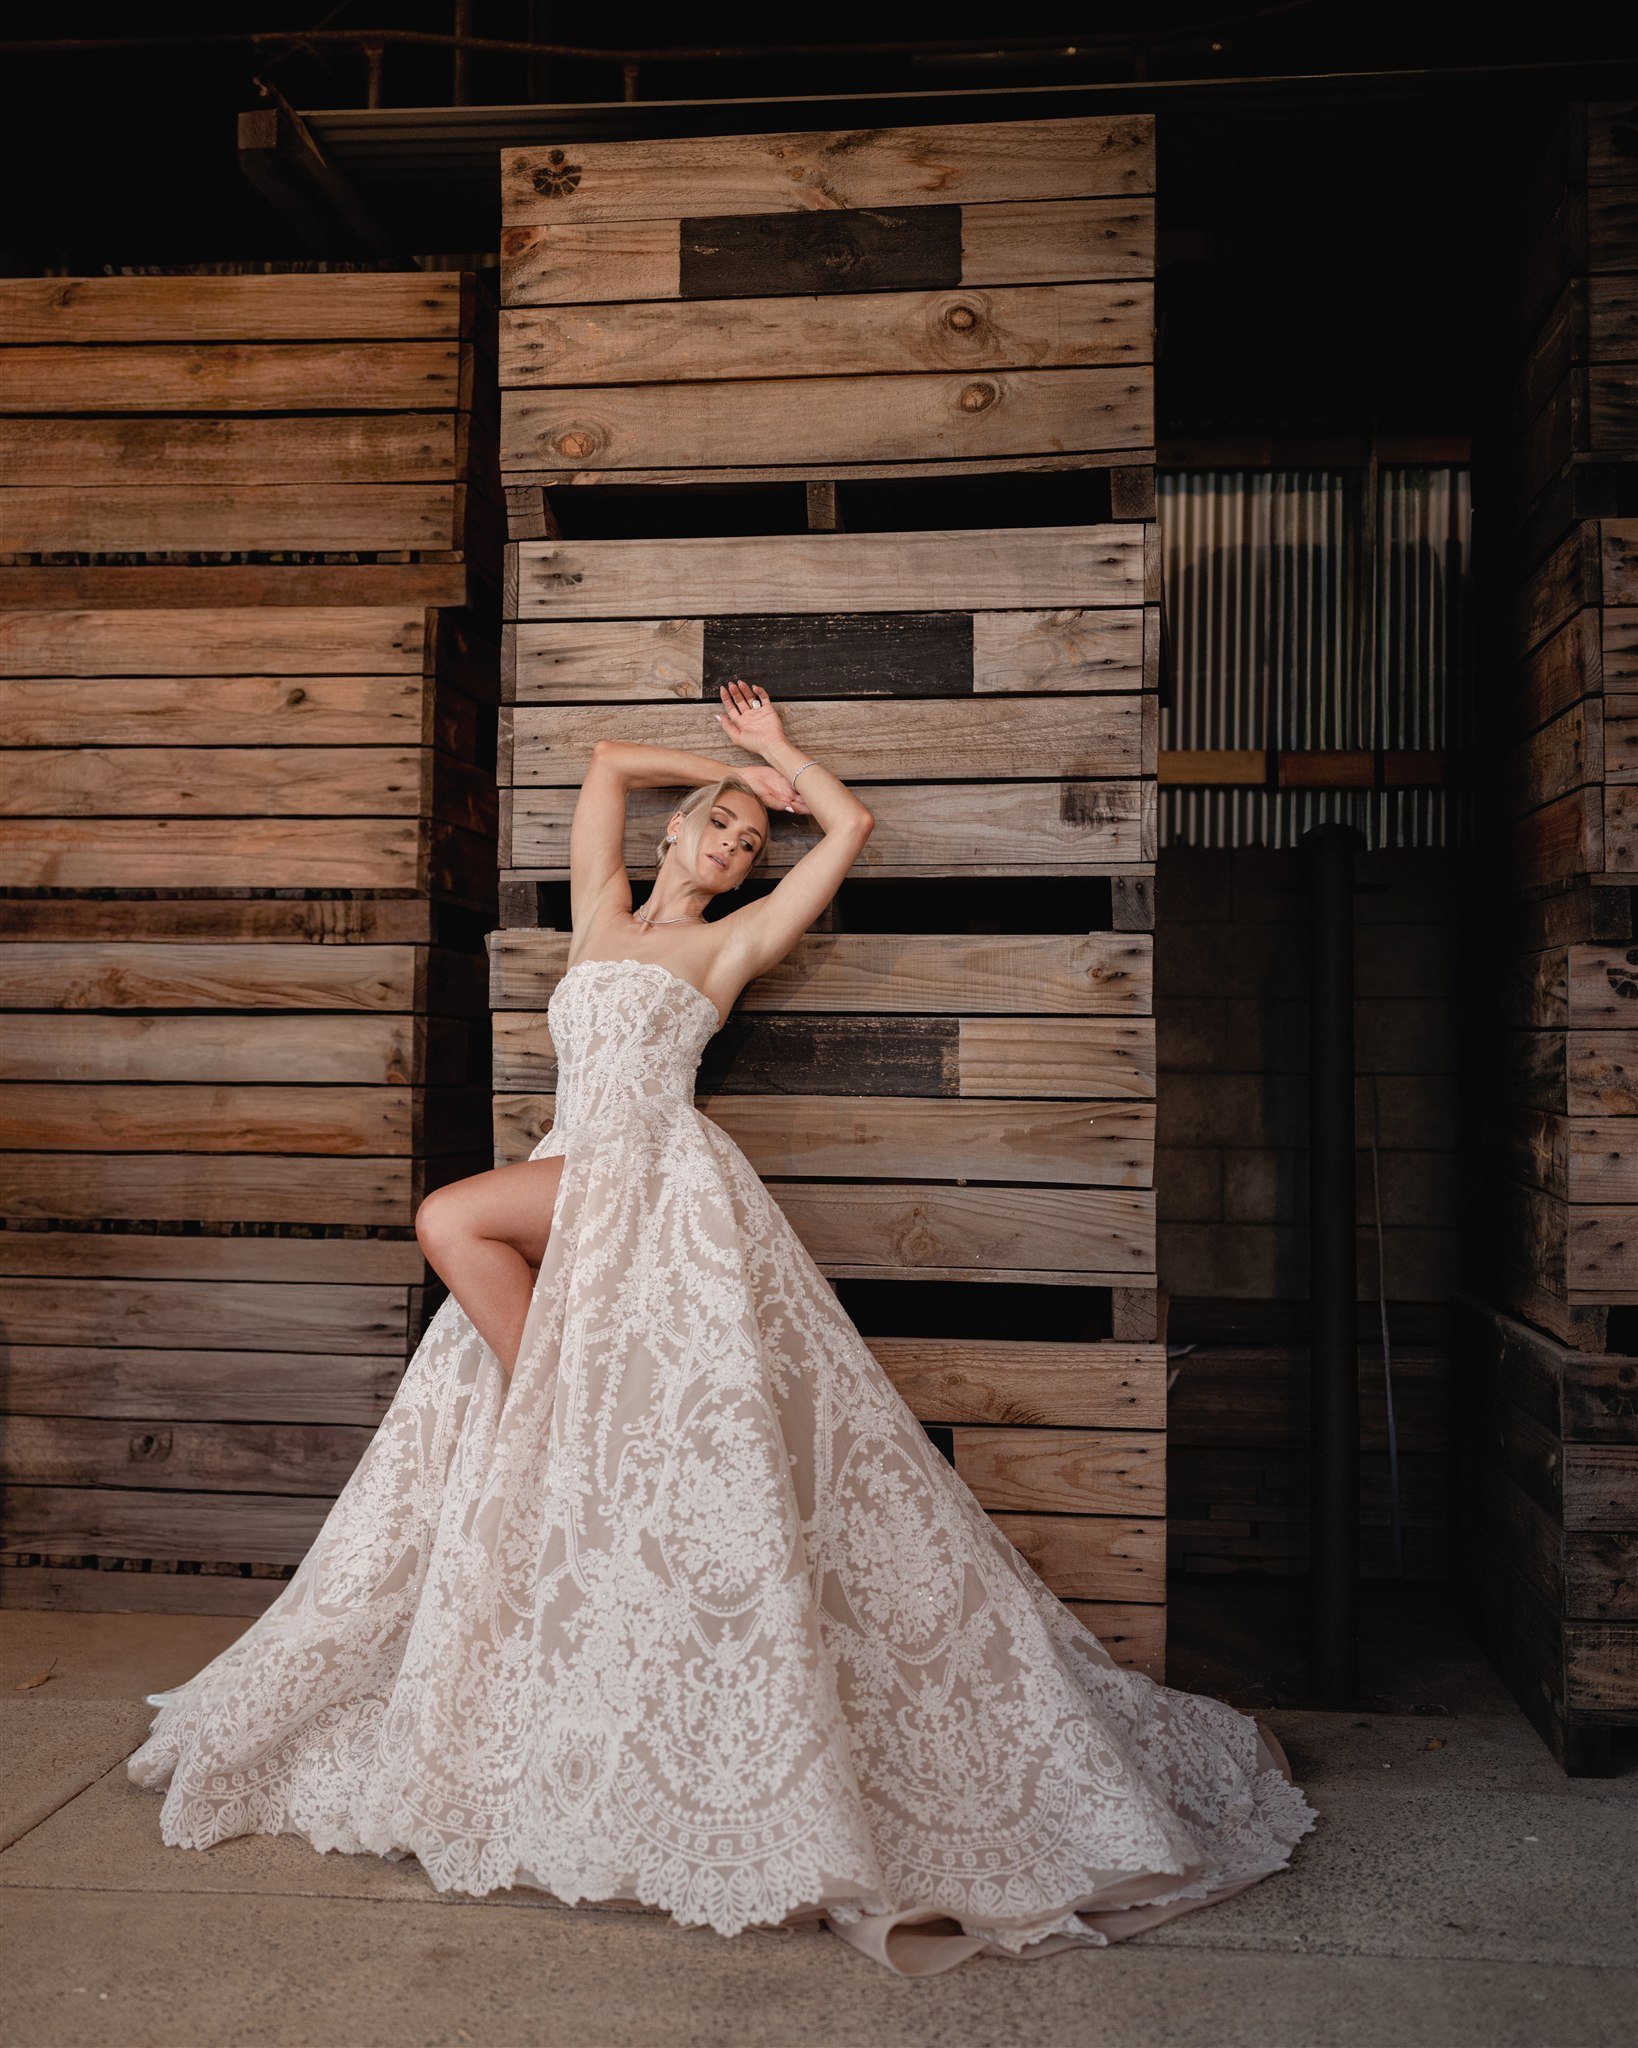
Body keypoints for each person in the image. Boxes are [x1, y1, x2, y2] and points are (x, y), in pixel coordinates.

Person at [128, 680, 1316, 1977]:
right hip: (577, 1164)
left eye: (750, 845)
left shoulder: (733, 943)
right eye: (718, 832)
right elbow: (600, 764)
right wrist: (729, 763)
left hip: (651, 1180)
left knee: (447, 1218)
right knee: (464, 1241)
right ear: (677, 832)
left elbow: (849, 832)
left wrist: (788, 768)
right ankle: (557, 1436)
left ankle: (555, 1405)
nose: (735, 851)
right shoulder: (598, 916)